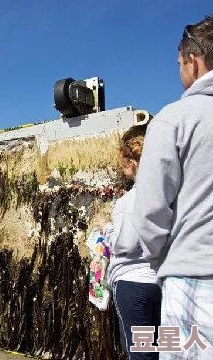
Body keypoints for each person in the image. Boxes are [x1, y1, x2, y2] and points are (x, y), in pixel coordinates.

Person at [133, 16, 213, 359]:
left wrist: (161, 256)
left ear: (192, 62)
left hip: (192, 277)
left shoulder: (175, 118)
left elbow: (150, 210)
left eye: (179, 64)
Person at [103, 124, 160, 360]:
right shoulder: (165, 195)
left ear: (131, 161)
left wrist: (107, 230)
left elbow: (124, 244)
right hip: (159, 282)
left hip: (132, 284)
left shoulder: (129, 201)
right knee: (161, 347)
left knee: (139, 352)